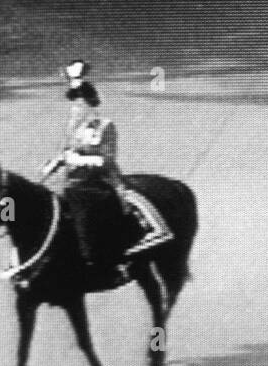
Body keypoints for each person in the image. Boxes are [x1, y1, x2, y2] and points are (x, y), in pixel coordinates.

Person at [42, 61, 173, 263]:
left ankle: (102, 251)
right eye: (74, 103)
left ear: (89, 104)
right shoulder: (73, 128)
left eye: (80, 102)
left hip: (98, 179)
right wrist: (56, 162)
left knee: (89, 206)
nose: (76, 108)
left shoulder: (105, 127)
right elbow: (66, 151)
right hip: (72, 178)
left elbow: (106, 159)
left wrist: (79, 159)